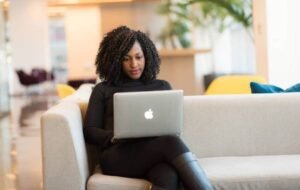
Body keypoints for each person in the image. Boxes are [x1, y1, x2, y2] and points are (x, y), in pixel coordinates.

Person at [84, 26, 213, 190]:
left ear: (147, 56)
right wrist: (115, 136)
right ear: (116, 60)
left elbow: (171, 124)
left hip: (155, 152)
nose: (134, 64)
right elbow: (90, 131)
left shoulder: (162, 86)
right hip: (118, 156)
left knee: (167, 174)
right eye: (126, 59)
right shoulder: (103, 89)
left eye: (139, 57)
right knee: (171, 143)